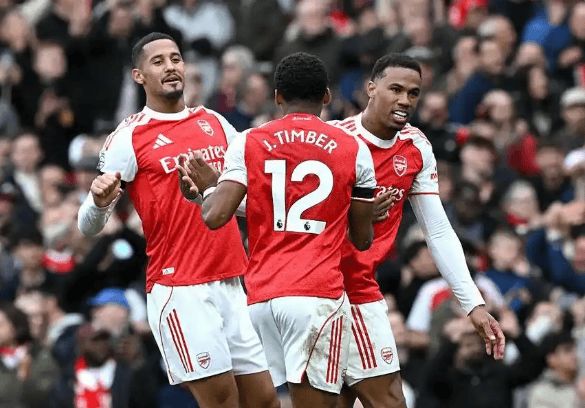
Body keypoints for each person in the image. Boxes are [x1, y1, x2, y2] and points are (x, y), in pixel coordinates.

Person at [77, 32, 278, 408]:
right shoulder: (129, 137)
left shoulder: (216, 123)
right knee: (222, 402)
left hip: (233, 282)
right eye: (158, 62)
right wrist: (100, 204)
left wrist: (214, 191)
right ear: (139, 76)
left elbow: (246, 203)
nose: (170, 67)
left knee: (265, 400)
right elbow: (87, 226)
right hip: (181, 288)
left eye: (175, 58)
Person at [178, 52, 377, 408]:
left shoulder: (248, 141)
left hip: (261, 300)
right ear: (327, 96)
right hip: (317, 295)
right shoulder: (354, 147)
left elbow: (216, 215)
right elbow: (362, 240)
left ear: (277, 97)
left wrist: (209, 189)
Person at [330, 53, 506, 408]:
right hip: (322, 288)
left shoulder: (416, 147)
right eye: (395, 89)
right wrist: (358, 216)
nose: (405, 100)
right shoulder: (335, 139)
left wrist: (473, 304)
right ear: (371, 88)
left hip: (362, 286)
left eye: (413, 93)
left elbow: (437, 231)